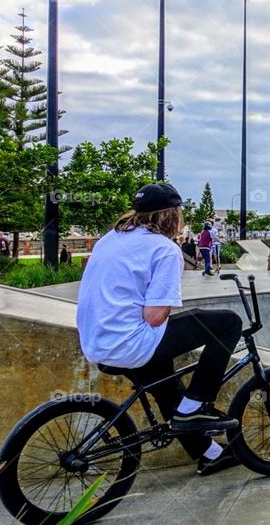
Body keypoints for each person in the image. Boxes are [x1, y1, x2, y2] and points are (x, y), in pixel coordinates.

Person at [76, 183, 243, 476]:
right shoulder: (164, 249)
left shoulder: (109, 239)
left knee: (167, 389)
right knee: (227, 322)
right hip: (131, 342)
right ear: (172, 216)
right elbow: (154, 316)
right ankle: (196, 406)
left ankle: (211, 453)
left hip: (97, 343)